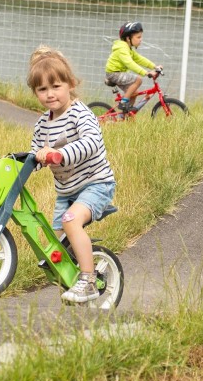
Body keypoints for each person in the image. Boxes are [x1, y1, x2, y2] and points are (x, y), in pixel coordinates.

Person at [27, 46, 116, 303]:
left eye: (56, 86)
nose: (50, 94)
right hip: (66, 191)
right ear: (35, 92)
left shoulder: (80, 114)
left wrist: (61, 154)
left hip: (96, 184)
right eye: (42, 89)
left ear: (70, 84)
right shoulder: (43, 123)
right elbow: (37, 151)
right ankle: (76, 274)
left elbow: (92, 142)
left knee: (70, 221)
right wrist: (30, 160)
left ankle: (88, 280)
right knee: (56, 243)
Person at [104, 21, 162, 113]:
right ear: (128, 38)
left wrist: (154, 66)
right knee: (138, 80)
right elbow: (130, 63)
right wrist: (146, 73)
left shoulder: (128, 48)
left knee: (134, 93)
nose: (141, 39)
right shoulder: (122, 49)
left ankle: (125, 116)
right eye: (138, 37)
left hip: (119, 73)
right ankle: (123, 102)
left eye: (141, 37)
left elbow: (140, 59)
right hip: (113, 73)